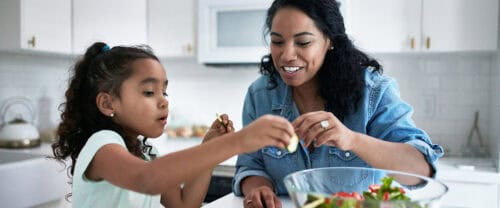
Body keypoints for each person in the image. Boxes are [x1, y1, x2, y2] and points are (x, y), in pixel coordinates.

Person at [232, 0, 444, 207]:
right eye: (277, 42)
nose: (286, 55)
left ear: (329, 40)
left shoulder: (374, 91)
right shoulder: (259, 95)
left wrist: (352, 140)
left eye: (303, 42)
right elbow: (251, 166)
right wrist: (259, 189)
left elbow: (420, 171)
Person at [51, 42, 295, 208]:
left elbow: (183, 205)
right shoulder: (103, 144)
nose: (163, 103)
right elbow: (146, 179)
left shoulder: (147, 154)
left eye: (164, 92)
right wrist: (239, 141)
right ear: (107, 103)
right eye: (149, 92)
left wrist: (210, 148)